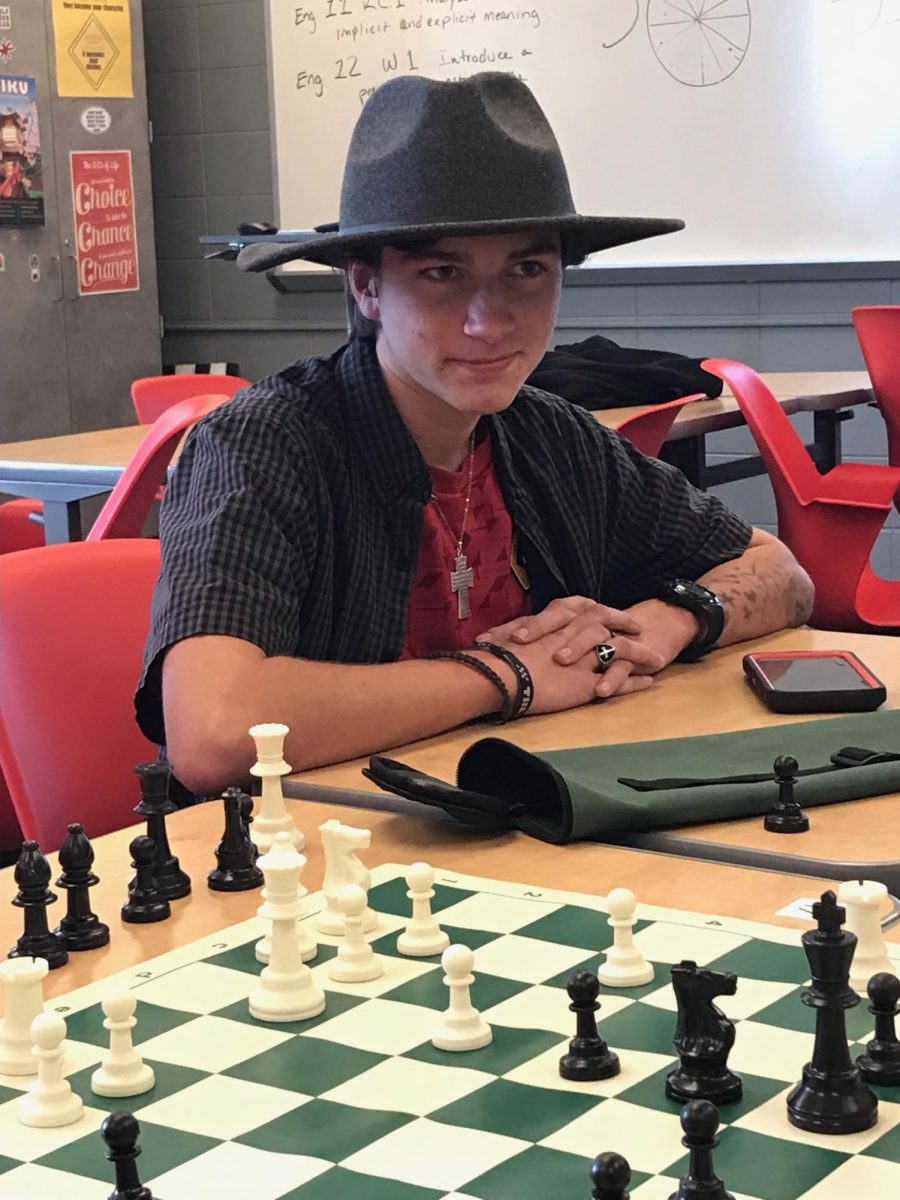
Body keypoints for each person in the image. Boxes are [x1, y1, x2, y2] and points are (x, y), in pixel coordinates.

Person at [136, 72, 813, 796]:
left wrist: (664, 623)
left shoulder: (553, 438)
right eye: (441, 272)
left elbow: (782, 576)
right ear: (366, 286)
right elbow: (212, 734)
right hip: (314, 865)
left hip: (522, 835)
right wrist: (510, 677)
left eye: (526, 268)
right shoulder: (262, 448)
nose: (488, 320)